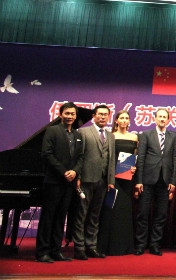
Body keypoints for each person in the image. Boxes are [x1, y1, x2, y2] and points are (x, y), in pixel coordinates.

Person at [35, 102, 84, 263]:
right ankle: (42, 252)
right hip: (54, 181)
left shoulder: (77, 134)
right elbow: (47, 154)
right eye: (67, 113)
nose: (70, 116)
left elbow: (80, 157)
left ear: (76, 116)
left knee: (61, 217)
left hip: (69, 183)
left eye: (72, 114)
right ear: (60, 114)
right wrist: (64, 172)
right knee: (48, 217)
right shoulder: (52, 131)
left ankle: (56, 251)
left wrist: (75, 171)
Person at [134, 108, 176, 256]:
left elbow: (174, 160)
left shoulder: (173, 136)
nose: (162, 119)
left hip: (165, 181)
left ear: (168, 120)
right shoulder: (146, 134)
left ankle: (155, 245)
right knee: (143, 214)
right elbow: (141, 158)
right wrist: (139, 180)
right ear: (155, 118)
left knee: (161, 215)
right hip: (147, 180)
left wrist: (173, 181)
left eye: (164, 117)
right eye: (159, 116)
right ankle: (141, 244)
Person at [73, 104, 116, 260]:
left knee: (95, 215)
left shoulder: (110, 136)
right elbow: (79, 157)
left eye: (106, 114)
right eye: (100, 114)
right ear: (93, 116)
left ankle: (91, 246)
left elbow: (111, 159)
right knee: (81, 214)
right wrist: (78, 177)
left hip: (103, 181)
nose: (103, 117)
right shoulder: (83, 132)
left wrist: (111, 180)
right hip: (86, 179)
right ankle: (79, 247)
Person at [97, 109, 138, 256]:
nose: (124, 120)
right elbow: (106, 157)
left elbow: (135, 157)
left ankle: (125, 246)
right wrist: (110, 176)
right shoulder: (111, 136)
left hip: (127, 179)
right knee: (110, 210)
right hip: (112, 179)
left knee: (125, 211)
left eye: (127, 118)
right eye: (122, 118)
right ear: (116, 120)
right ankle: (108, 247)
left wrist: (134, 167)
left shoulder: (134, 137)